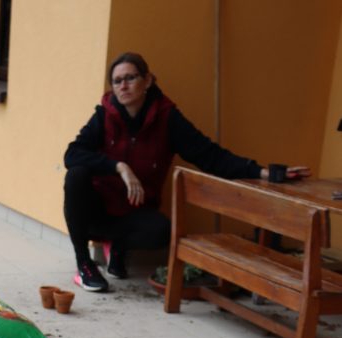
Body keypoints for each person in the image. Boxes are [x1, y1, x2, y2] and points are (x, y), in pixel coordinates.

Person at [64, 51, 310, 292]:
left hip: (134, 211)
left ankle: (118, 245)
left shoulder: (166, 118)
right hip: (98, 210)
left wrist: (263, 172)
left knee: (161, 232)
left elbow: (210, 156)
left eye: (130, 78)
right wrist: (119, 167)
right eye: (117, 81)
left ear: (147, 80)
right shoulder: (105, 115)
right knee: (76, 175)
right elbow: (72, 154)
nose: (123, 86)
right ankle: (84, 264)